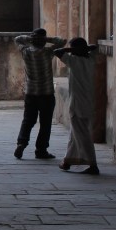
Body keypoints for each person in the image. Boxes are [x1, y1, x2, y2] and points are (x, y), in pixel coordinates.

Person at [13, 28, 66, 159]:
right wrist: (46, 39)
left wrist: (31, 38)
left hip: (31, 92)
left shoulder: (26, 52)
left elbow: (17, 39)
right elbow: (62, 41)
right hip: (46, 93)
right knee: (45, 123)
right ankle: (41, 150)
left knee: (28, 120)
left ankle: (21, 143)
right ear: (42, 41)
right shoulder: (48, 52)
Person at [54, 37, 99, 175]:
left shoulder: (74, 61)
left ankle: (92, 164)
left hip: (78, 103)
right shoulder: (91, 60)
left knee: (82, 134)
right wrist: (83, 48)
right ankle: (68, 160)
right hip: (88, 102)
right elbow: (94, 47)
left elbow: (57, 51)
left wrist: (71, 49)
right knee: (75, 133)